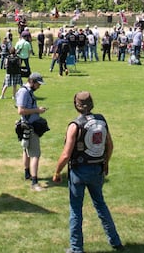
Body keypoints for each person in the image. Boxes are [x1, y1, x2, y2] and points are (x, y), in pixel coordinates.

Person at [52, 92, 124, 253]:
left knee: (76, 210)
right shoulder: (101, 120)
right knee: (101, 205)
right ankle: (115, 241)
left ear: (76, 105)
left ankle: (76, 248)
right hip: (97, 168)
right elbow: (110, 145)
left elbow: (66, 154)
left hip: (78, 171)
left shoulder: (75, 125)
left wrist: (57, 172)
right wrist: (106, 163)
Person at [16, 72, 48, 191]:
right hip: (30, 126)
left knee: (26, 150)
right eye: (38, 84)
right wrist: (37, 110)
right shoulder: (24, 92)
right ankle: (35, 183)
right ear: (32, 82)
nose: (39, 86)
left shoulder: (26, 91)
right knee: (35, 154)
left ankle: (27, 174)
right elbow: (21, 110)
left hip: (27, 125)